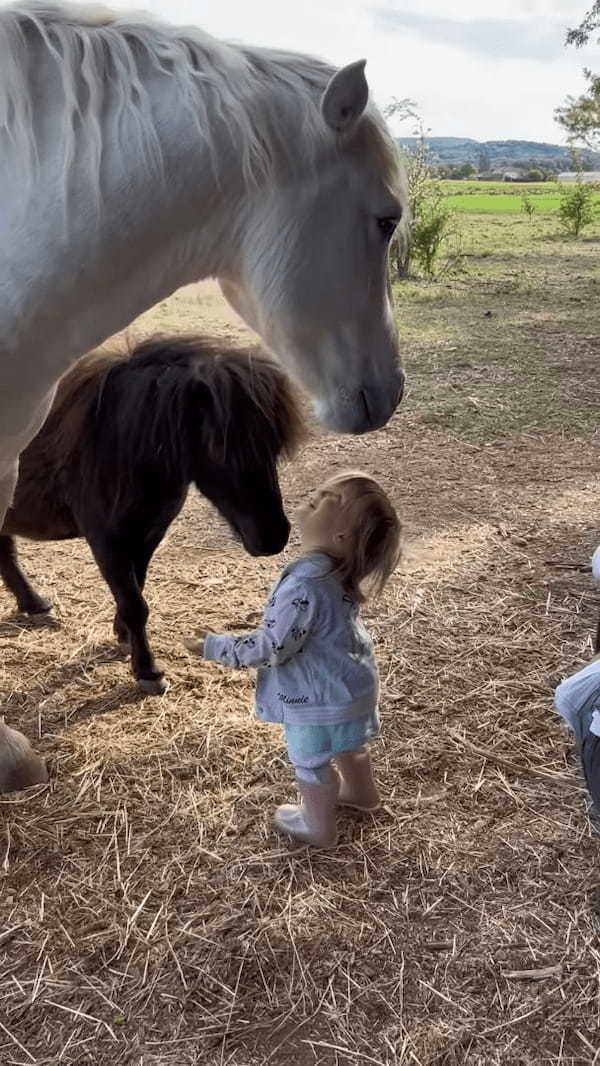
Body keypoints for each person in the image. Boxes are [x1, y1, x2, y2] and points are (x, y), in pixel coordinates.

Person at [185, 471, 402, 848]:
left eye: (325, 501)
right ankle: (363, 795)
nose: (313, 496)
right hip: (353, 685)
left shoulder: (305, 584)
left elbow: (272, 647)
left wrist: (215, 646)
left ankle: (318, 827)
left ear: (340, 537)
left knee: (310, 760)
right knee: (349, 744)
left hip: (315, 699)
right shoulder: (340, 572)